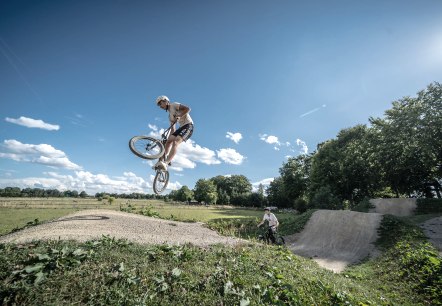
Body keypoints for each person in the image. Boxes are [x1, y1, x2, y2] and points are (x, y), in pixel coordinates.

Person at [154, 95, 194, 170]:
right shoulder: (170, 116)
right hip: (181, 127)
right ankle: (161, 161)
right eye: (158, 105)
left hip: (188, 125)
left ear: (166, 101)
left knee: (175, 142)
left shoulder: (174, 105)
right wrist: (168, 138)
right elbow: (173, 129)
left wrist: (180, 115)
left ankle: (166, 163)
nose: (160, 106)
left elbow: (188, 109)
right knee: (168, 141)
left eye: (160, 103)